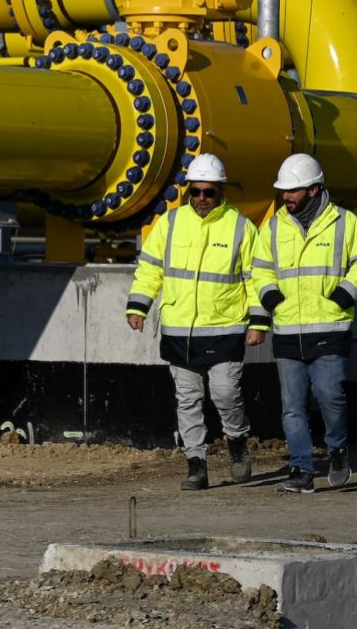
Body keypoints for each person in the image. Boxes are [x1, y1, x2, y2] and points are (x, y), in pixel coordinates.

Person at [126, 154, 267, 490]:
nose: (202, 198)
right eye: (197, 192)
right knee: (187, 400)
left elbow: (257, 279)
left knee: (224, 393)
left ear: (220, 191)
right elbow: (150, 268)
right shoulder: (171, 223)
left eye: (209, 192)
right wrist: (138, 306)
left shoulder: (240, 227)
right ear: (189, 191)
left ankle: (236, 441)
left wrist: (258, 323)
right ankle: (196, 465)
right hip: (179, 331)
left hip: (226, 328)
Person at [252, 153, 357, 494]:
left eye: (293, 191)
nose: (286, 197)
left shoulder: (344, 222)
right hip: (287, 329)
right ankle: (302, 471)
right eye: (284, 191)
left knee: (330, 396)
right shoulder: (275, 226)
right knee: (292, 407)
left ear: (314, 189)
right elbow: (259, 269)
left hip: (330, 327)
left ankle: (337, 449)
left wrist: (343, 296)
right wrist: (270, 299)